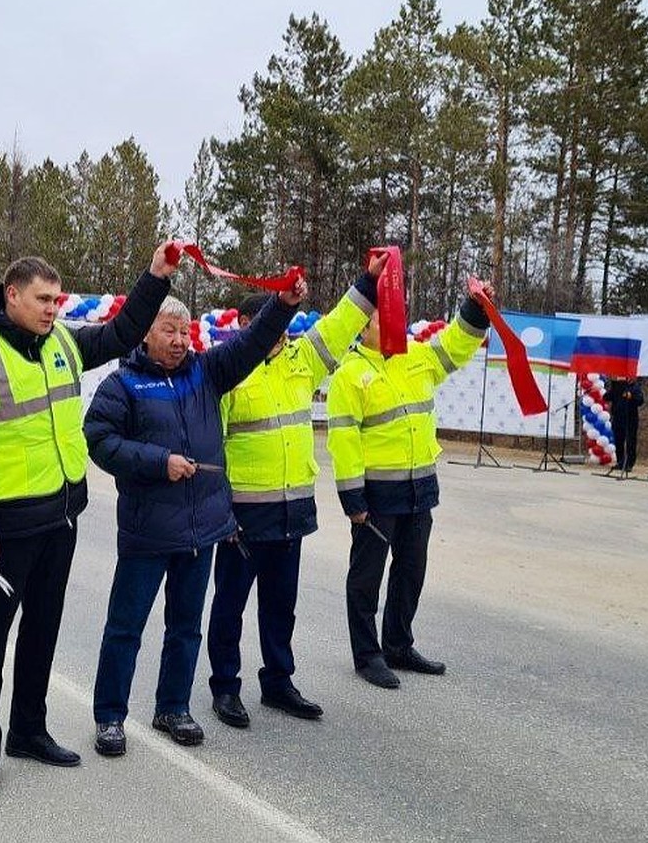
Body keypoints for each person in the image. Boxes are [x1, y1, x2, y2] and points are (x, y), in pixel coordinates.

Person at [0, 245, 176, 802]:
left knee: (42, 631)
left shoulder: (64, 342)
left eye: (56, 299)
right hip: (5, 529)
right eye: (43, 299)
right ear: (11, 295)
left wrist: (156, 275)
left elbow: (120, 333)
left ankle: (27, 731)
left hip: (60, 521)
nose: (51, 309)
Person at [84, 281, 304, 758]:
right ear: (145, 333)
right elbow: (99, 441)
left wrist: (282, 305)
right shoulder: (122, 385)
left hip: (201, 531)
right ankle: (109, 717)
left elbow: (248, 343)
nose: (181, 340)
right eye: (170, 330)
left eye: (186, 331)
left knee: (185, 626)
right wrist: (157, 461)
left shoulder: (205, 373)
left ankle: (173, 707)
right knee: (126, 626)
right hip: (148, 530)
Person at [206, 254, 386, 730]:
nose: (279, 332)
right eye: (266, 323)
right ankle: (225, 686)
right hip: (243, 515)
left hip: (291, 512)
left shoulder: (302, 360)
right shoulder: (227, 373)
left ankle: (278, 681)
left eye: (282, 324)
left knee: (281, 603)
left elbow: (342, 321)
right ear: (246, 325)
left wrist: (368, 279)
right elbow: (213, 449)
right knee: (230, 604)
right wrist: (221, 513)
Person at [326, 275, 493, 689]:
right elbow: (343, 439)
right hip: (377, 496)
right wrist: (353, 499)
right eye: (385, 314)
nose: (396, 318)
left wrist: (475, 306)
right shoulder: (350, 374)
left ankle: (398, 645)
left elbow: (456, 344)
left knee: (411, 571)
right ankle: (367, 655)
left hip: (420, 489)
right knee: (366, 578)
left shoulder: (416, 355)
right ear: (363, 324)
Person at [607, 376, 643, 473]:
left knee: (630, 442)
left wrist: (631, 396)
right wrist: (613, 387)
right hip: (618, 418)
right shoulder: (617, 387)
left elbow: (640, 401)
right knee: (618, 441)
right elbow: (607, 397)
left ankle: (629, 464)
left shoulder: (635, 387)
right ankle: (620, 462)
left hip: (630, 419)